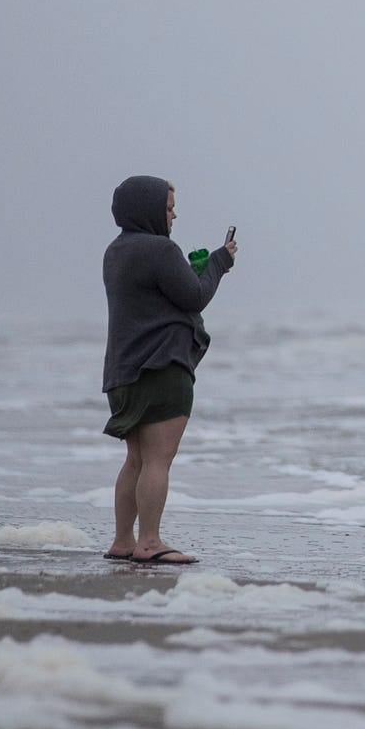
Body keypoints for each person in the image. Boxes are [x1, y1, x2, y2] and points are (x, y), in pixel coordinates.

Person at [100, 174, 235, 566]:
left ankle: (123, 541)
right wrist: (218, 262)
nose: (174, 215)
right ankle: (150, 542)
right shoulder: (160, 250)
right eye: (168, 208)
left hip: (123, 371)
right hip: (162, 367)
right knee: (158, 460)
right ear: (148, 209)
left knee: (136, 460)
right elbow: (194, 297)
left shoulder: (115, 251)